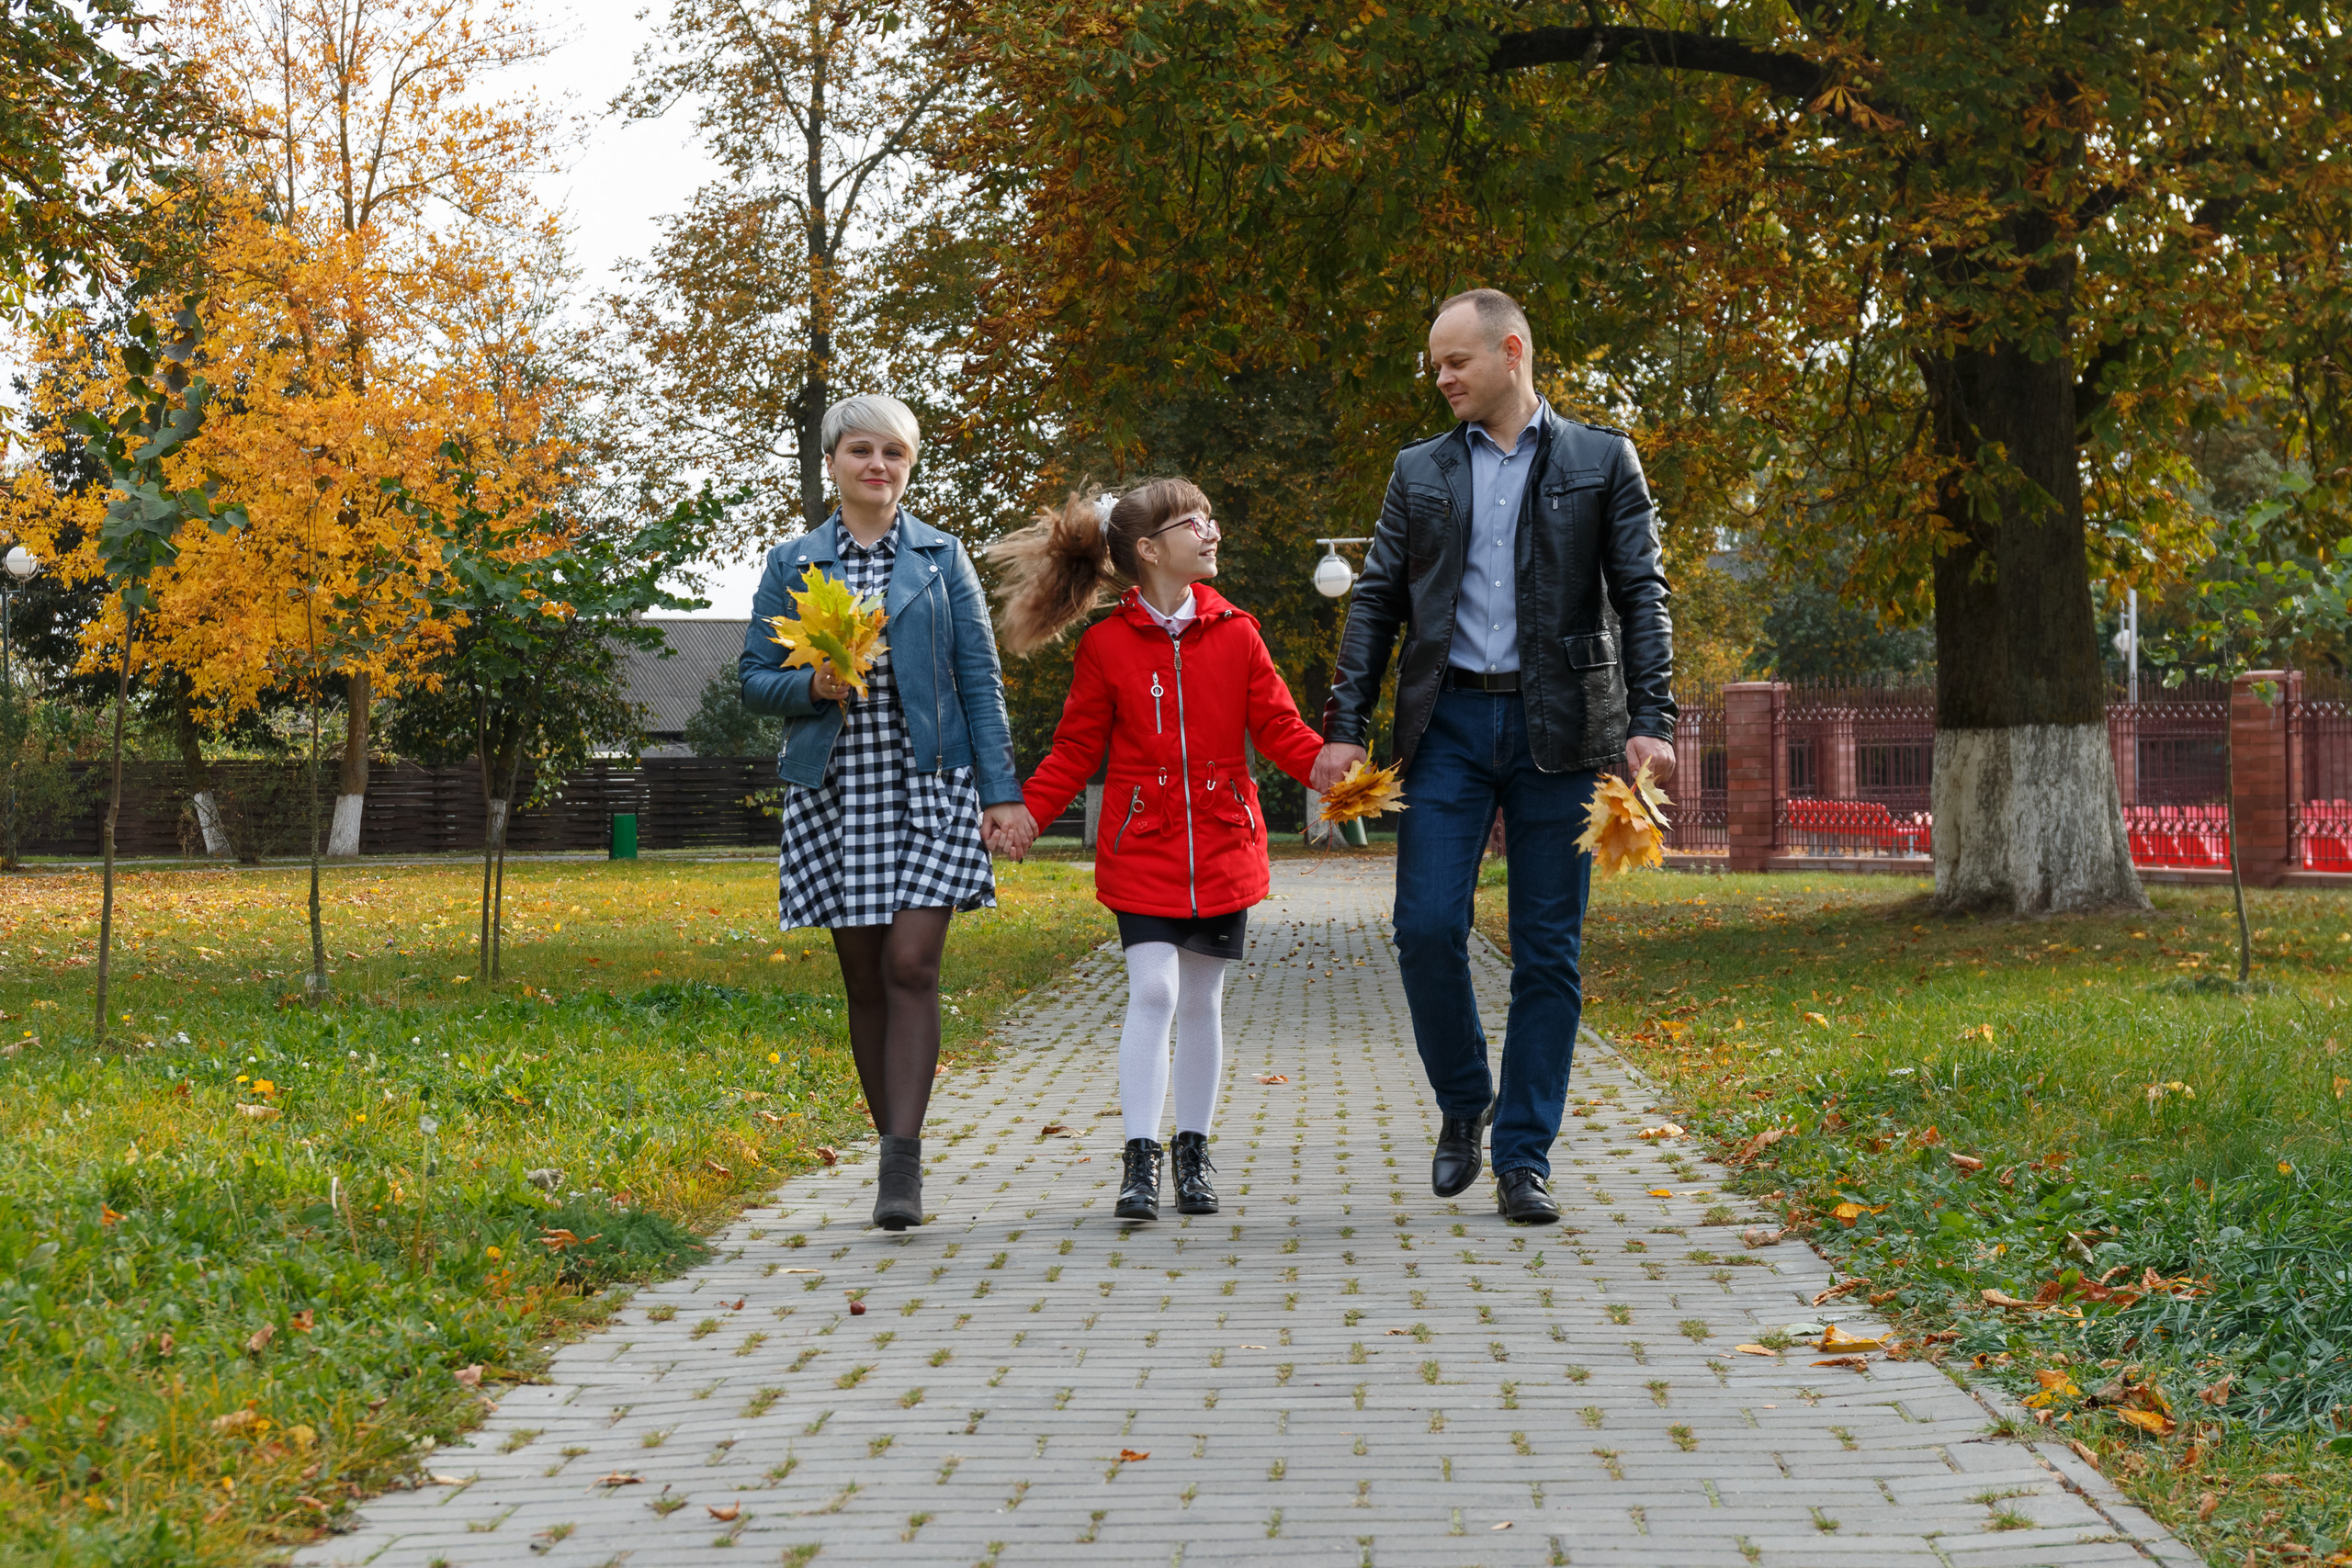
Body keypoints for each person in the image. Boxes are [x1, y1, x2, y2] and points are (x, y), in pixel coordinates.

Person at [1312, 288, 1676, 1224]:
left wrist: (1652, 718)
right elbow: (1377, 599)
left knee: (1548, 951)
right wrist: (1344, 724)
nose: (1439, 378)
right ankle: (1465, 1098)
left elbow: (1641, 592)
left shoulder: (1601, 460)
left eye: (1453, 361)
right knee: (1426, 927)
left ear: (1510, 350)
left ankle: (1524, 1156)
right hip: (1447, 730)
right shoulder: (1419, 471)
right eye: (1435, 364)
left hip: (1567, 733)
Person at [740, 394, 1038, 1231]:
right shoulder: (794, 561)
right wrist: (811, 685)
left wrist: (1001, 792)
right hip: (834, 790)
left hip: (930, 786)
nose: (878, 465)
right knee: (865, 977)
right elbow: (753, 679)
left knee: (912, 964)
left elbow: (980, 681)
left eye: (894, 454)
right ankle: (888, 1145)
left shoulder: (944, 560)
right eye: (862, 451)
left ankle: (899, 1169)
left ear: (909, 466)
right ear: (832, 462)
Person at [988, 479, 1323, 1222]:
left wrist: (1336, 770)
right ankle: (1140, 1158)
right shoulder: (1107, 645)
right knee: (1155, 992)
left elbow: (1280, 729)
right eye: (1193, 522)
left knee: (1202, 998)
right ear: (1148, 548)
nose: (1212, 533)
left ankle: (1193, 1151)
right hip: (1142, 847)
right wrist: (1029, 815)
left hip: (1225, 842)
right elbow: (1075, 750)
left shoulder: (1239, 631)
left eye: (1210, 519)